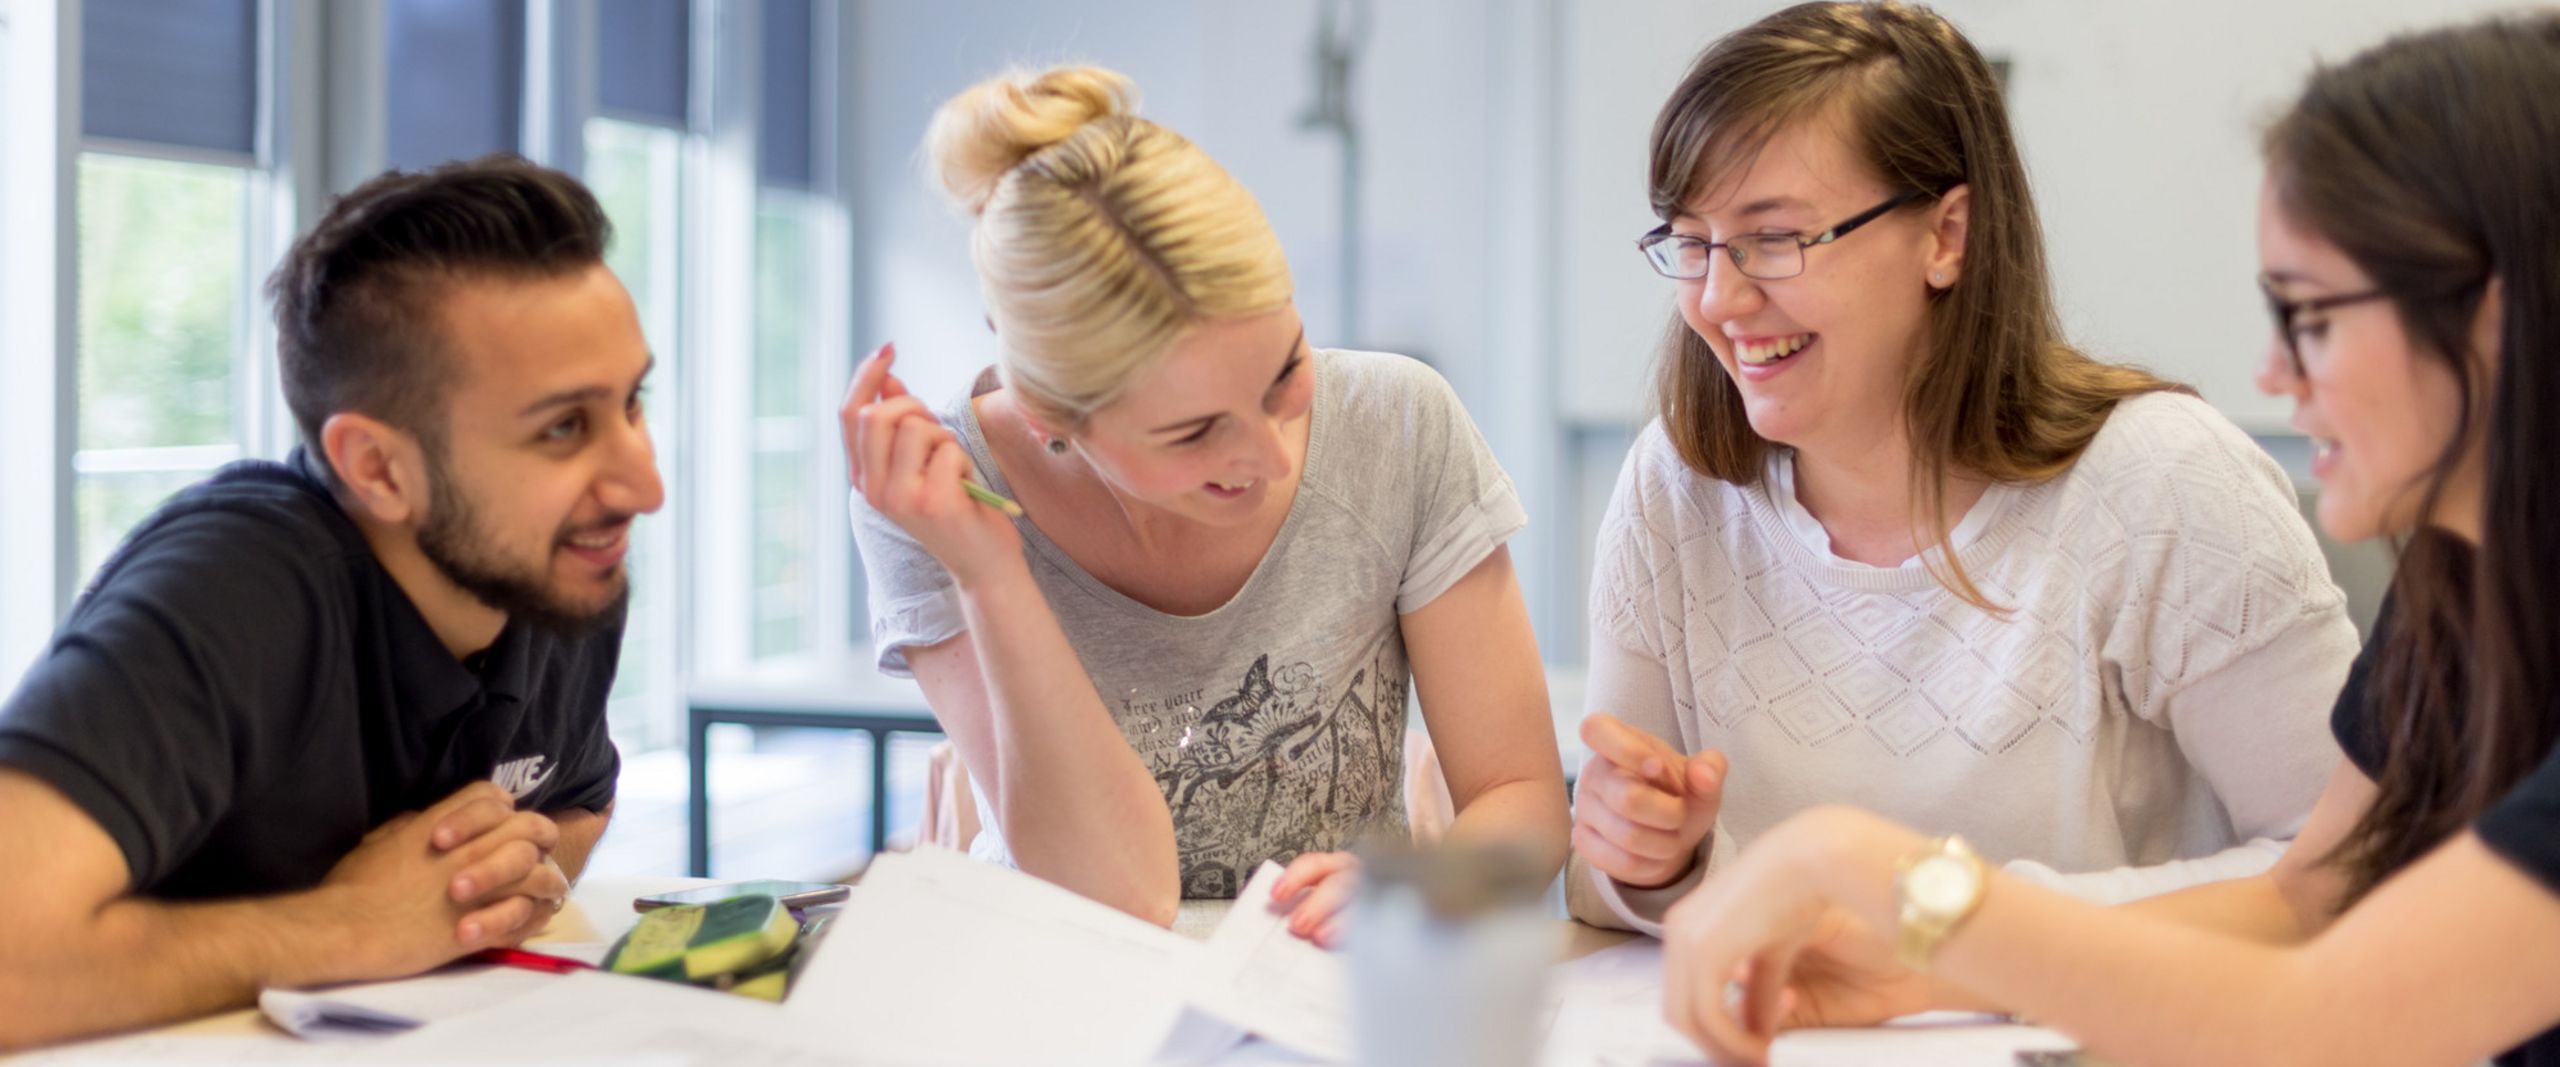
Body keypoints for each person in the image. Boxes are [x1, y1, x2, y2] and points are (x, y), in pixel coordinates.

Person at [1653, 12, 2560, 1066]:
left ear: (2494, 315)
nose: (2273, 373)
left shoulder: (2171, 476)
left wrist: (1873, 870)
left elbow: (2327, 1009)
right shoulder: (2461, 575)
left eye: (2310, 314)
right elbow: (2314, 888)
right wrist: (1926, 968)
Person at [1565, 0, 2360, 936]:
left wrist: (1934, 941)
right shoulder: (1678, 482)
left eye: (1774, 239)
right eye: (1692, 242)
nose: (1718, 297)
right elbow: (1602, 883)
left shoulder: (2165, 484)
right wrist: (1657, 860)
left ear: (1946, 236)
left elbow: (2347, 868)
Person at [844, 65, 1568, 937]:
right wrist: (991, 576)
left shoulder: (1401, 423)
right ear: (1049, 416)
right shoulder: (938, 496)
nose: (1268, 454)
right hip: (1067, 987)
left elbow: (1522, 798)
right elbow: (1118, 899)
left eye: (1285, 371)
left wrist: (1431, 885)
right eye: (1193, 433)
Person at [0, 156, 659, 1049]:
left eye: (633, 402)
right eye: (562, 428)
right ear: (378, 468)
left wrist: (484, 879)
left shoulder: (555, 570)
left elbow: (578, 801)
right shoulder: (235, 587)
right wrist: (351, 926)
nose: (642, 483)